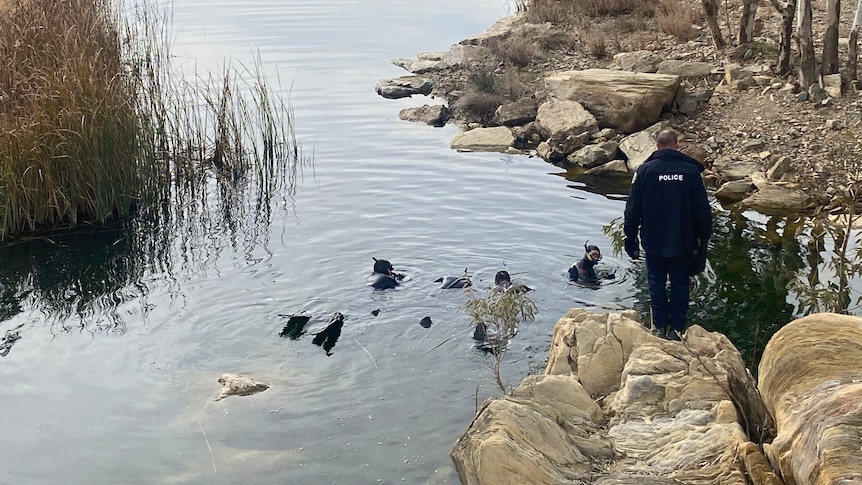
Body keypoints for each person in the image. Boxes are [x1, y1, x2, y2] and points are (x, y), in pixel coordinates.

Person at [623, 129, 712, 341]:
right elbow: (702, 209)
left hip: (653, 239)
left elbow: (633, 207)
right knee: (680, 283)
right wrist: (704, 236)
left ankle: (659, 327)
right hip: (683, 239)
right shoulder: (691, 172)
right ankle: (678, 329)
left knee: (656, 282)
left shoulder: (645, 171)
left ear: (657, 146)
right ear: (677, 145)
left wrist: (630, 236)